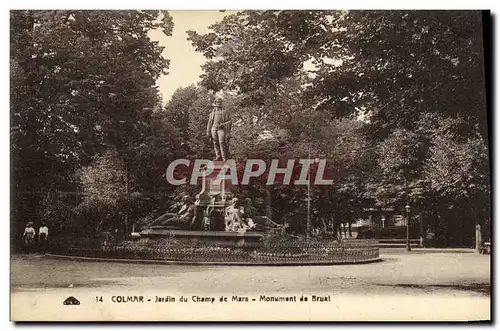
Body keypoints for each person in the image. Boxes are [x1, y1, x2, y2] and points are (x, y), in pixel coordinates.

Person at [206, 97, 232, 161]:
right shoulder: (212, 113)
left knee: (221, 142)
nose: (219, 103)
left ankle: (224, 157)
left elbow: (230, 121)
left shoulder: (224, 112)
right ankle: (218, 156)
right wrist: (208, 131)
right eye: (218, 102)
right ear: (215, 103)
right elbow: (209, 123)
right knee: (215, 142)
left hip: (221, 129)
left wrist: (223, 124)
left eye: (220, 102)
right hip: (213, 128)